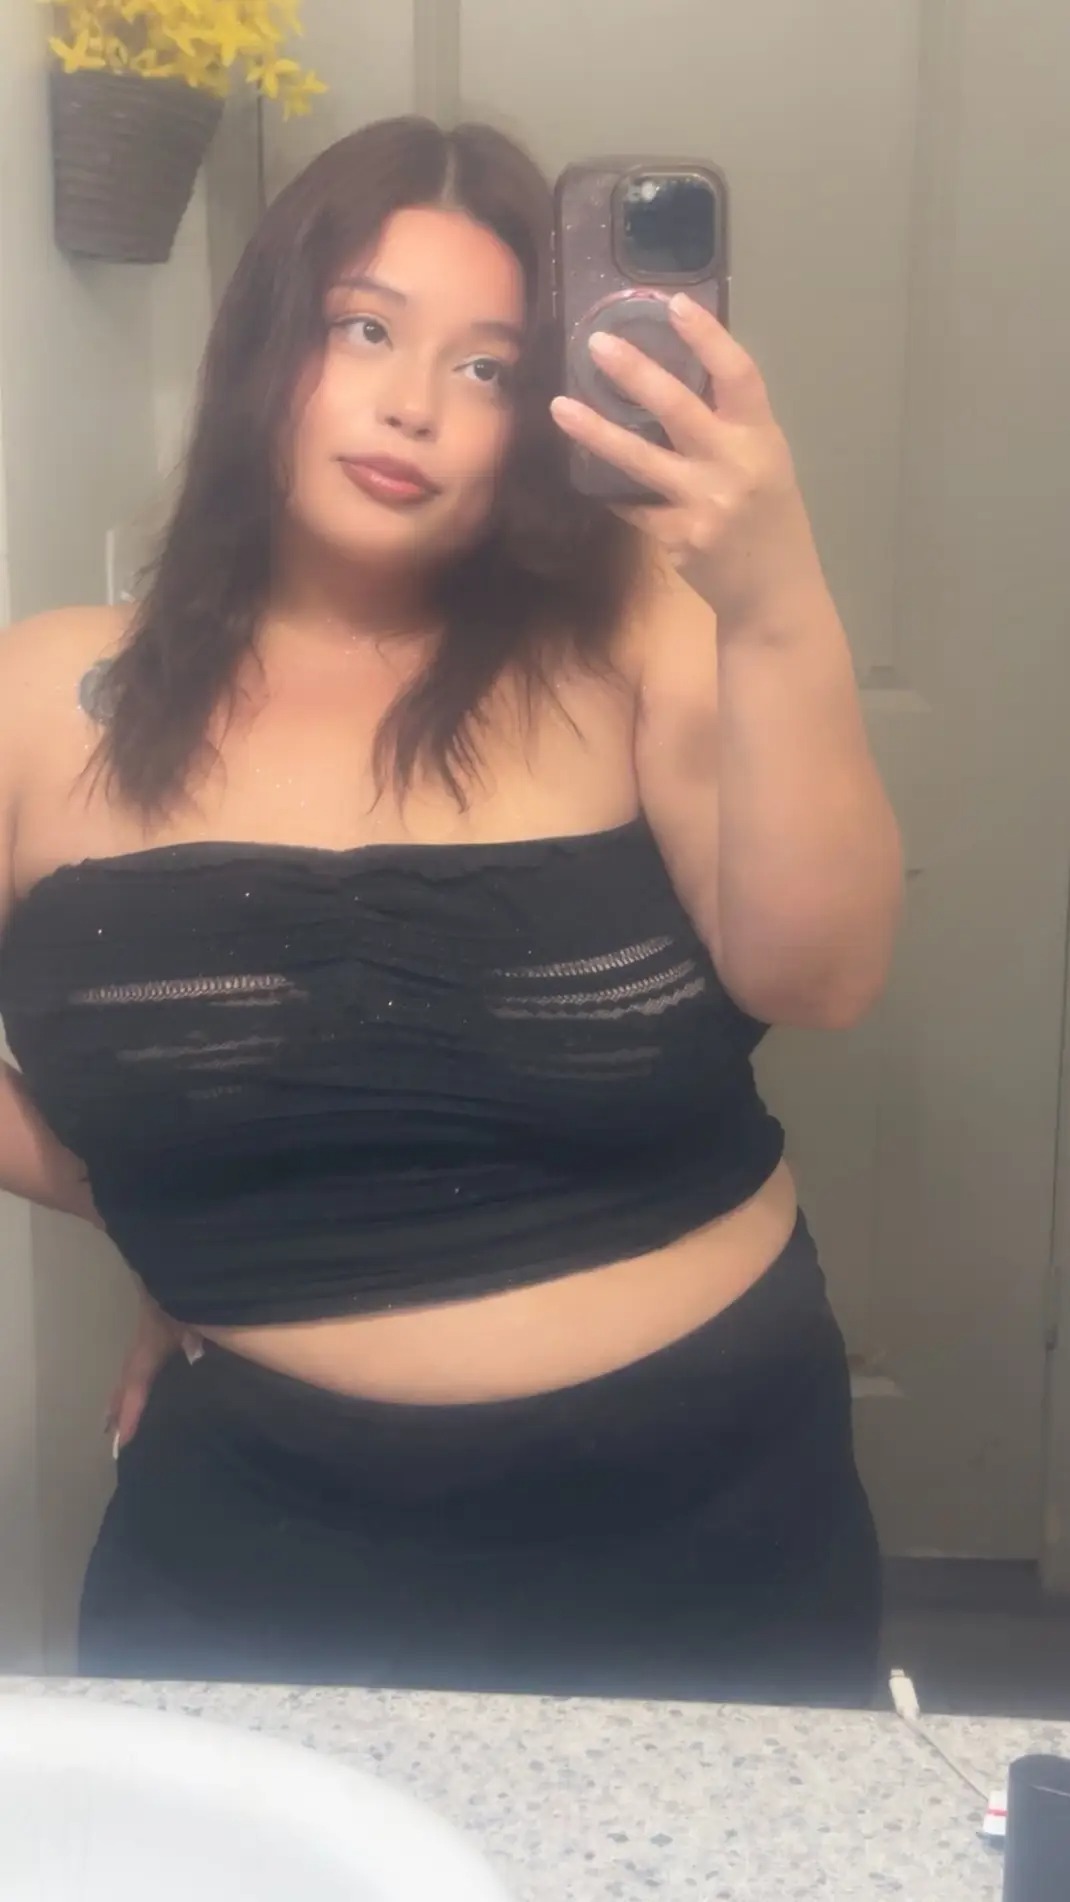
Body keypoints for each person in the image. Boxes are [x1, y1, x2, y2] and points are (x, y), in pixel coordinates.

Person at [0, 117, 902, 1703]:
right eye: (364, 330)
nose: (412, 402)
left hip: (704, 1521)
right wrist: (168, 1198)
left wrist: (772, 601)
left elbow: (817, 972)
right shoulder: (46, 690)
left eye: (486, 366)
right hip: (256, 1547)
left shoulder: (629, 629)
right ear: (266, 341)